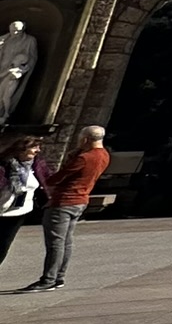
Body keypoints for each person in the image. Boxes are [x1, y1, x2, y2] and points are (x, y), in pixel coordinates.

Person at [23, 125, 106, 292]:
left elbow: (59, 177)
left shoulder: (84, 158)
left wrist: (44, 181)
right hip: (80, 200)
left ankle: (48, 279)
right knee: (66, 241)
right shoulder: (104, 155)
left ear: (85, 139)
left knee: (55, 243)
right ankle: (59, 277)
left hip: (64, 202)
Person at [0, 134, 42, 267]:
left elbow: (48, 180)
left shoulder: (35, 165)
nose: (38, 150)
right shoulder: (4, 166)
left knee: (3, 246)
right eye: (34, 147)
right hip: (2, 211)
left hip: (19, 212)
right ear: (21, 149)